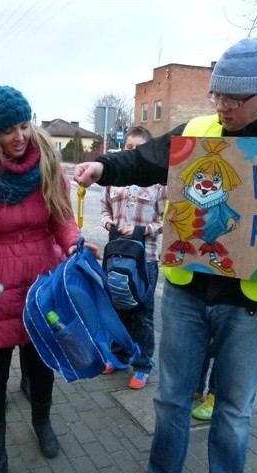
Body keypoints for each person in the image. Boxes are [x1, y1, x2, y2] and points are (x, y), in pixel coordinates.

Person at [74, 38, 257, 473]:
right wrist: (104, 167)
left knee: (233, 413)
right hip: (187, 294)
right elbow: (145, 160)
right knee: (172, 400)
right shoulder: (200, 130)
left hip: (251, 303)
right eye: (217, 95)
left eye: (234, 99)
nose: (222, 107)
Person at [0, 79, 95, 473]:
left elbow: (62, 220)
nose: (20, 136)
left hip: (42, 288)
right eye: (9, 130)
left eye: (24, 125)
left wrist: (77, 245)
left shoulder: (46, 165)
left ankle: (42, 424)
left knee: (42, 366)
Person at [100, 126, 166, 390]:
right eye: (129, 148)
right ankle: (118, 356)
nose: (133, 153)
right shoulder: (114, 178)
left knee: (142, 314)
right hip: (116, 256)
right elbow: (105, 209)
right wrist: (108, 225)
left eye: (139, 149)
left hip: (144, 259)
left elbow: (167, 220)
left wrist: (141, 231)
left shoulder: (160, 183)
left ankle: (142, 365)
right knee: (117, 309)